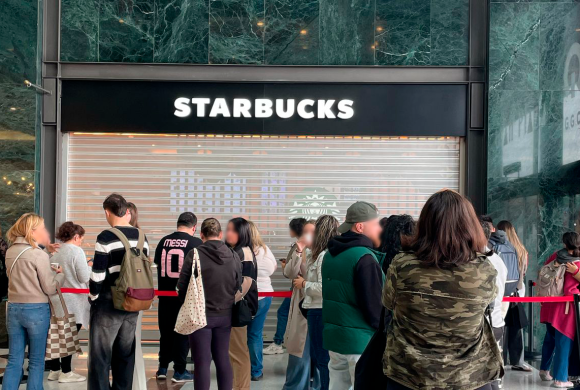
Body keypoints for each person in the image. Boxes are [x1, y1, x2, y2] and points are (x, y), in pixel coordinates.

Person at [382, 190, 502, 390]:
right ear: (469, 225)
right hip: (469, 376)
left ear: (426, 223)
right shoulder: (484, 269)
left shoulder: (402, 264)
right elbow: (487, 305)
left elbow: (388, 303)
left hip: (408, 375)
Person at [88, 194, 149, 390]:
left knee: (101, 355)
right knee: (125, 354)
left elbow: (98, 273)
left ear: (107, 212)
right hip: (133, 301)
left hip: (108, 302)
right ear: (126, 211)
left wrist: (93, 297)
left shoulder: (106, 236)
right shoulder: (142, 237)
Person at [322, 202, 384, 390]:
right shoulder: (364, 257)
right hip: (360, 343)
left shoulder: (329, 255)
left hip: (335, 340)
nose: (379, 229)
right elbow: (375, 307)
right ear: (360, 226)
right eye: (376, 224)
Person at [177, 218, 241, 390]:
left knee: (202, 362)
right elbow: (238, 284)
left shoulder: (195, 254)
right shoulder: (233, 255)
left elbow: (182, 286)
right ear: (220, 235)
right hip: (225, 315)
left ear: (201, 235)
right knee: (222, 360)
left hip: (200, 315)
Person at [4, 213, 65, 390]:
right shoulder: (38, 254)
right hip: (36, 310)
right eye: (41, 228)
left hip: (14, 308)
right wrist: (60, 277)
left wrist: (46, 253)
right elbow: (49, 288)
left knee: (14, 360)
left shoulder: (10, 251)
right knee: (36, 361)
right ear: (32, 230)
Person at [154, 212, 201, 382]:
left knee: (166, 333)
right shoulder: (196, 243)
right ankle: (180, 371)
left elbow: (158, 264)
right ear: (194, 227)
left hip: (164, 296)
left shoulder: (163, 241)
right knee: (182, 333)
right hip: (184, 298)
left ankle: (162, 368)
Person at [293, 215, 339, 390]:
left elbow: (323, 287)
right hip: (315, 311)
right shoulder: (320, 254)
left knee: (322, 359)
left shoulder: (323, 257)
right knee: (320, 358)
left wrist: (304, 284)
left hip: (319, 311)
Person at [482, 216, 530, 372]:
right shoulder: (519, 248)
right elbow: (522, 273)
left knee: (497, 324)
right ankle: (518, 361)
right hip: (515, 292)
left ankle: (499, 362)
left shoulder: (491, 245)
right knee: (515, 328)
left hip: (498, 293)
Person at [47, 221, 90, 383]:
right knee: (70, 336)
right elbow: (83, 277)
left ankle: (54, 370)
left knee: (57, 335)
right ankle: (66, 372)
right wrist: (89, 267)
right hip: (74, 300)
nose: (81, 242)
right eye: (81, 238)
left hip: (56, 298)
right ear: (76, 236)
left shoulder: (55, 251)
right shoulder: (76, 251)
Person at [282, 220, 320, 390]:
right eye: (306, 231)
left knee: (319, 354)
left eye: (312, 232)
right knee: (299, 352)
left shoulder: (324, 253)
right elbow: (289, 273)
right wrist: (298, 250)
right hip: (301, 307)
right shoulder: (299, 250)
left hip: (317, 306)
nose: (308, 235)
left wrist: (304, 283)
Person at [539, 232, 580, 388]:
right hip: (566, 308)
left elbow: (543, 272)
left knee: (550, 338)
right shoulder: (576, 263)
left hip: (549, 304)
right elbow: (572, 288)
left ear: (564, 244)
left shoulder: (556, 256)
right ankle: (561, 379)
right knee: (564, 341)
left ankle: (544, 370)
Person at [264, 217, 307, 356]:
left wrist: (286, 267)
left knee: (283, 313)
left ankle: (278, 342)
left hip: (300, 287)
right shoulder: (302, 245)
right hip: (300, 287)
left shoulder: (299, 246)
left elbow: (292, 271)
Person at [226, 217, 258, 390]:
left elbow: (245, 283)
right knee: (234, 352)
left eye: (233, 230)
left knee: (238, 352)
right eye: (228, 229)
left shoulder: (243, 253)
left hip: (238, 308)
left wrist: (225, 301)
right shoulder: (236, 251)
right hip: (234, 308)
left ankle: (241, 387)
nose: (228, 233)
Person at [246, 221, 277, 381]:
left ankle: (241, 368)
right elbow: (273, 268)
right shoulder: (265, 250)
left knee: (239, 334)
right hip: (264, 295)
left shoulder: (239, 251)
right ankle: (256, 371)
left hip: (244, 296)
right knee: (255, 334)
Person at [480, 219, 508, 390]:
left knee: (484, 376)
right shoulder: (497, 258)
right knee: (491, 374)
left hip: (485, 326)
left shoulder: (480, 261)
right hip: (496, 322)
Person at [126, 202, 148, 390]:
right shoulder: (142, 237)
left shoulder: (111, 236)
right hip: (139, 295)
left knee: (120, 345)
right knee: (134, 341)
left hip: (119, 298)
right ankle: (137, 383)